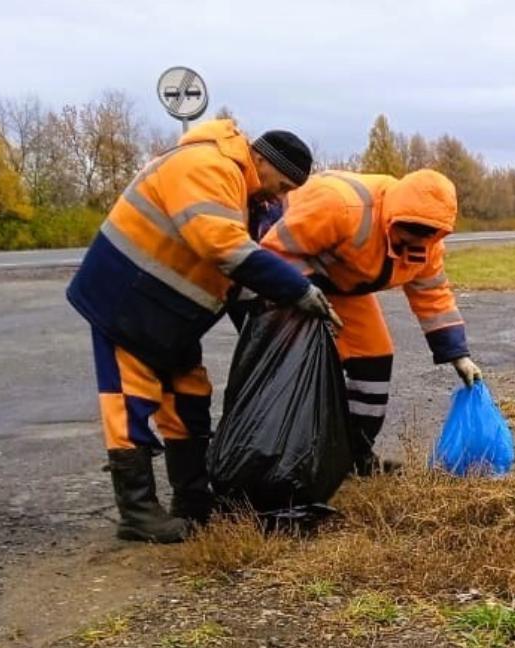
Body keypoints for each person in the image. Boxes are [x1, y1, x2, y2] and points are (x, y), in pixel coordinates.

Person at [66, 118, 341, 544]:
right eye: (282, 184)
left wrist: (278, 330)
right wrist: (295, 289)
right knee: (129, 401)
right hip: (124, 303)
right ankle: (138, 513)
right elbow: (224, 247)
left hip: (169, 313)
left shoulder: (247, 195)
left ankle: (192, 501)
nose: (280, 195)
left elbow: (235, 278)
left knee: (190, 398)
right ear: (262, 161)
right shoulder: (208, 166)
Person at [258, 168, 481, 473]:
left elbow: (432, 294)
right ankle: (278, 461)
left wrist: (458, 354)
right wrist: (300, 294)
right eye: (407, 228)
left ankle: (352, 457)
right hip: (289, 271)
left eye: (424, 233)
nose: (412, 238)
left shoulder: (427, 243)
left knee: (374, 358)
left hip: (344, 283)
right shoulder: (341, 207)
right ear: (392, 214)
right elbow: (273, 253)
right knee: (294, 363)